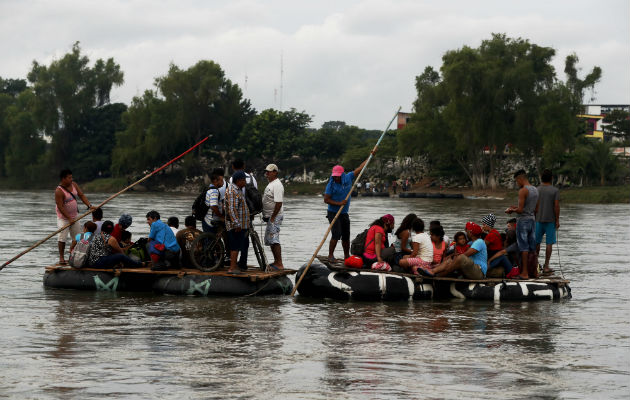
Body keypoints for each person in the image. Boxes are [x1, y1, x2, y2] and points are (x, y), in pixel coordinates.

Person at [324, 153, 373, 261]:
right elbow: (326, 200)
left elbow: (360, 168)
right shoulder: (331, 185)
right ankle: (330, 255)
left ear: (342, 175)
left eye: (338, 176)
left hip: (344, 213)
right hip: (333, 212)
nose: (336, 178)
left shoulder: (348, 177)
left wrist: (370, 156)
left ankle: (346, 256)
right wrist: (339, 203)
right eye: (334, 176)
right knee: (336, 234)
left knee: (346, 235)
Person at [55, 169, 95, 264]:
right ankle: (61, 257)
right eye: (69, 178)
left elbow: (81, 195)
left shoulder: (74, 185)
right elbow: (60, 206)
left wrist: (89, 206)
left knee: (78, 237)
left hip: (75, 217)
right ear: (63, 179)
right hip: (63, 218)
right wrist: (68, 218)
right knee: (62, 237)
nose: (71, 179)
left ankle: (74, 254)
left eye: (71, 177)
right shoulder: (59, 191)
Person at [506, 169, 539, 279]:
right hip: (532, 220)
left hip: (523, 221)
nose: (517, 183)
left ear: (520, 179)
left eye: (516, 181)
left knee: (523, 247)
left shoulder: (523, 190)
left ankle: (524, 273)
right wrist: (517, 208)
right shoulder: (535, 189)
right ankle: (534, 272)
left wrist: (511, 210)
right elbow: (536, 209)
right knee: (532, 247)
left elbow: (520, 210)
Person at [225, 171, 250, 274]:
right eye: (244, 180)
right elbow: (232, 209)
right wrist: (237, 224)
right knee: (235, 246)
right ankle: (232, 268)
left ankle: (234, 266)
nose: (245, 182)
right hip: (236, 225)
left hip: (241, 223)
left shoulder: (238, 190)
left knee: (237, 245)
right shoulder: (232, 191)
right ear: (239, 181)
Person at [535, 169, 560, 275]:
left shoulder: (536, 189)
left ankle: (535, 264)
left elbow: (534, 205)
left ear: (541, 178)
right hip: (550, 221)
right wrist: (557, 219)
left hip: (538, 219)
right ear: (551, 178)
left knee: (536, 242)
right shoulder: (554, 190)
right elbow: (556, 206)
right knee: (549, 243)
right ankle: (546, 266)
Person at [262, 163, 284, 270]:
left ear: (275, 172)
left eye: (269, 172)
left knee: (274, 240)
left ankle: (279, 263)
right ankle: (276, 261)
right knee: (271, 240)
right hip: (271, 216)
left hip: (275, 216)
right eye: (266, 172)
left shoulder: (277, 185)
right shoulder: (271, 184)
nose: (267, 174)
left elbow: (278, 203)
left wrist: (273, 217)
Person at [203, 168, 226, 233]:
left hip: (207, 219)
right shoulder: (214, 191)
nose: (223, 182)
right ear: (216, 181)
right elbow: (213, 207)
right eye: (221, 181)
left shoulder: (210, 188)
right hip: (211, 221)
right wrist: (221, 216)